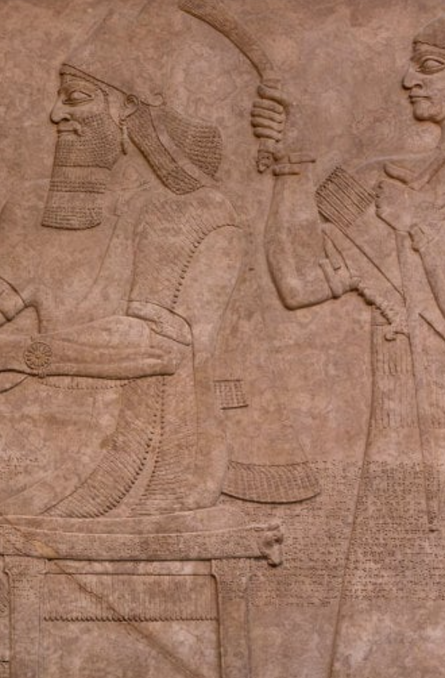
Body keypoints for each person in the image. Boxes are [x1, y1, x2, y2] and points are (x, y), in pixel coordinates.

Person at [0, 3, 253, 675]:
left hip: (145, 438)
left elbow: (159, 346)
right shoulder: (39, 207)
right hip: (50, 417)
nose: (56, 115)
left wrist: (19, 354)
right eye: (58, 100)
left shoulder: (193, 212)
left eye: (76, 100)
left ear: (129, 112)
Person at [258, 14, 445, 676]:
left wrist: (422, 232)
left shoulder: (408, 205)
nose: (408, 79)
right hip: (402, 442)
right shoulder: (385, 182)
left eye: (430, 67)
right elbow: (299, 281)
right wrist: (291, 170)